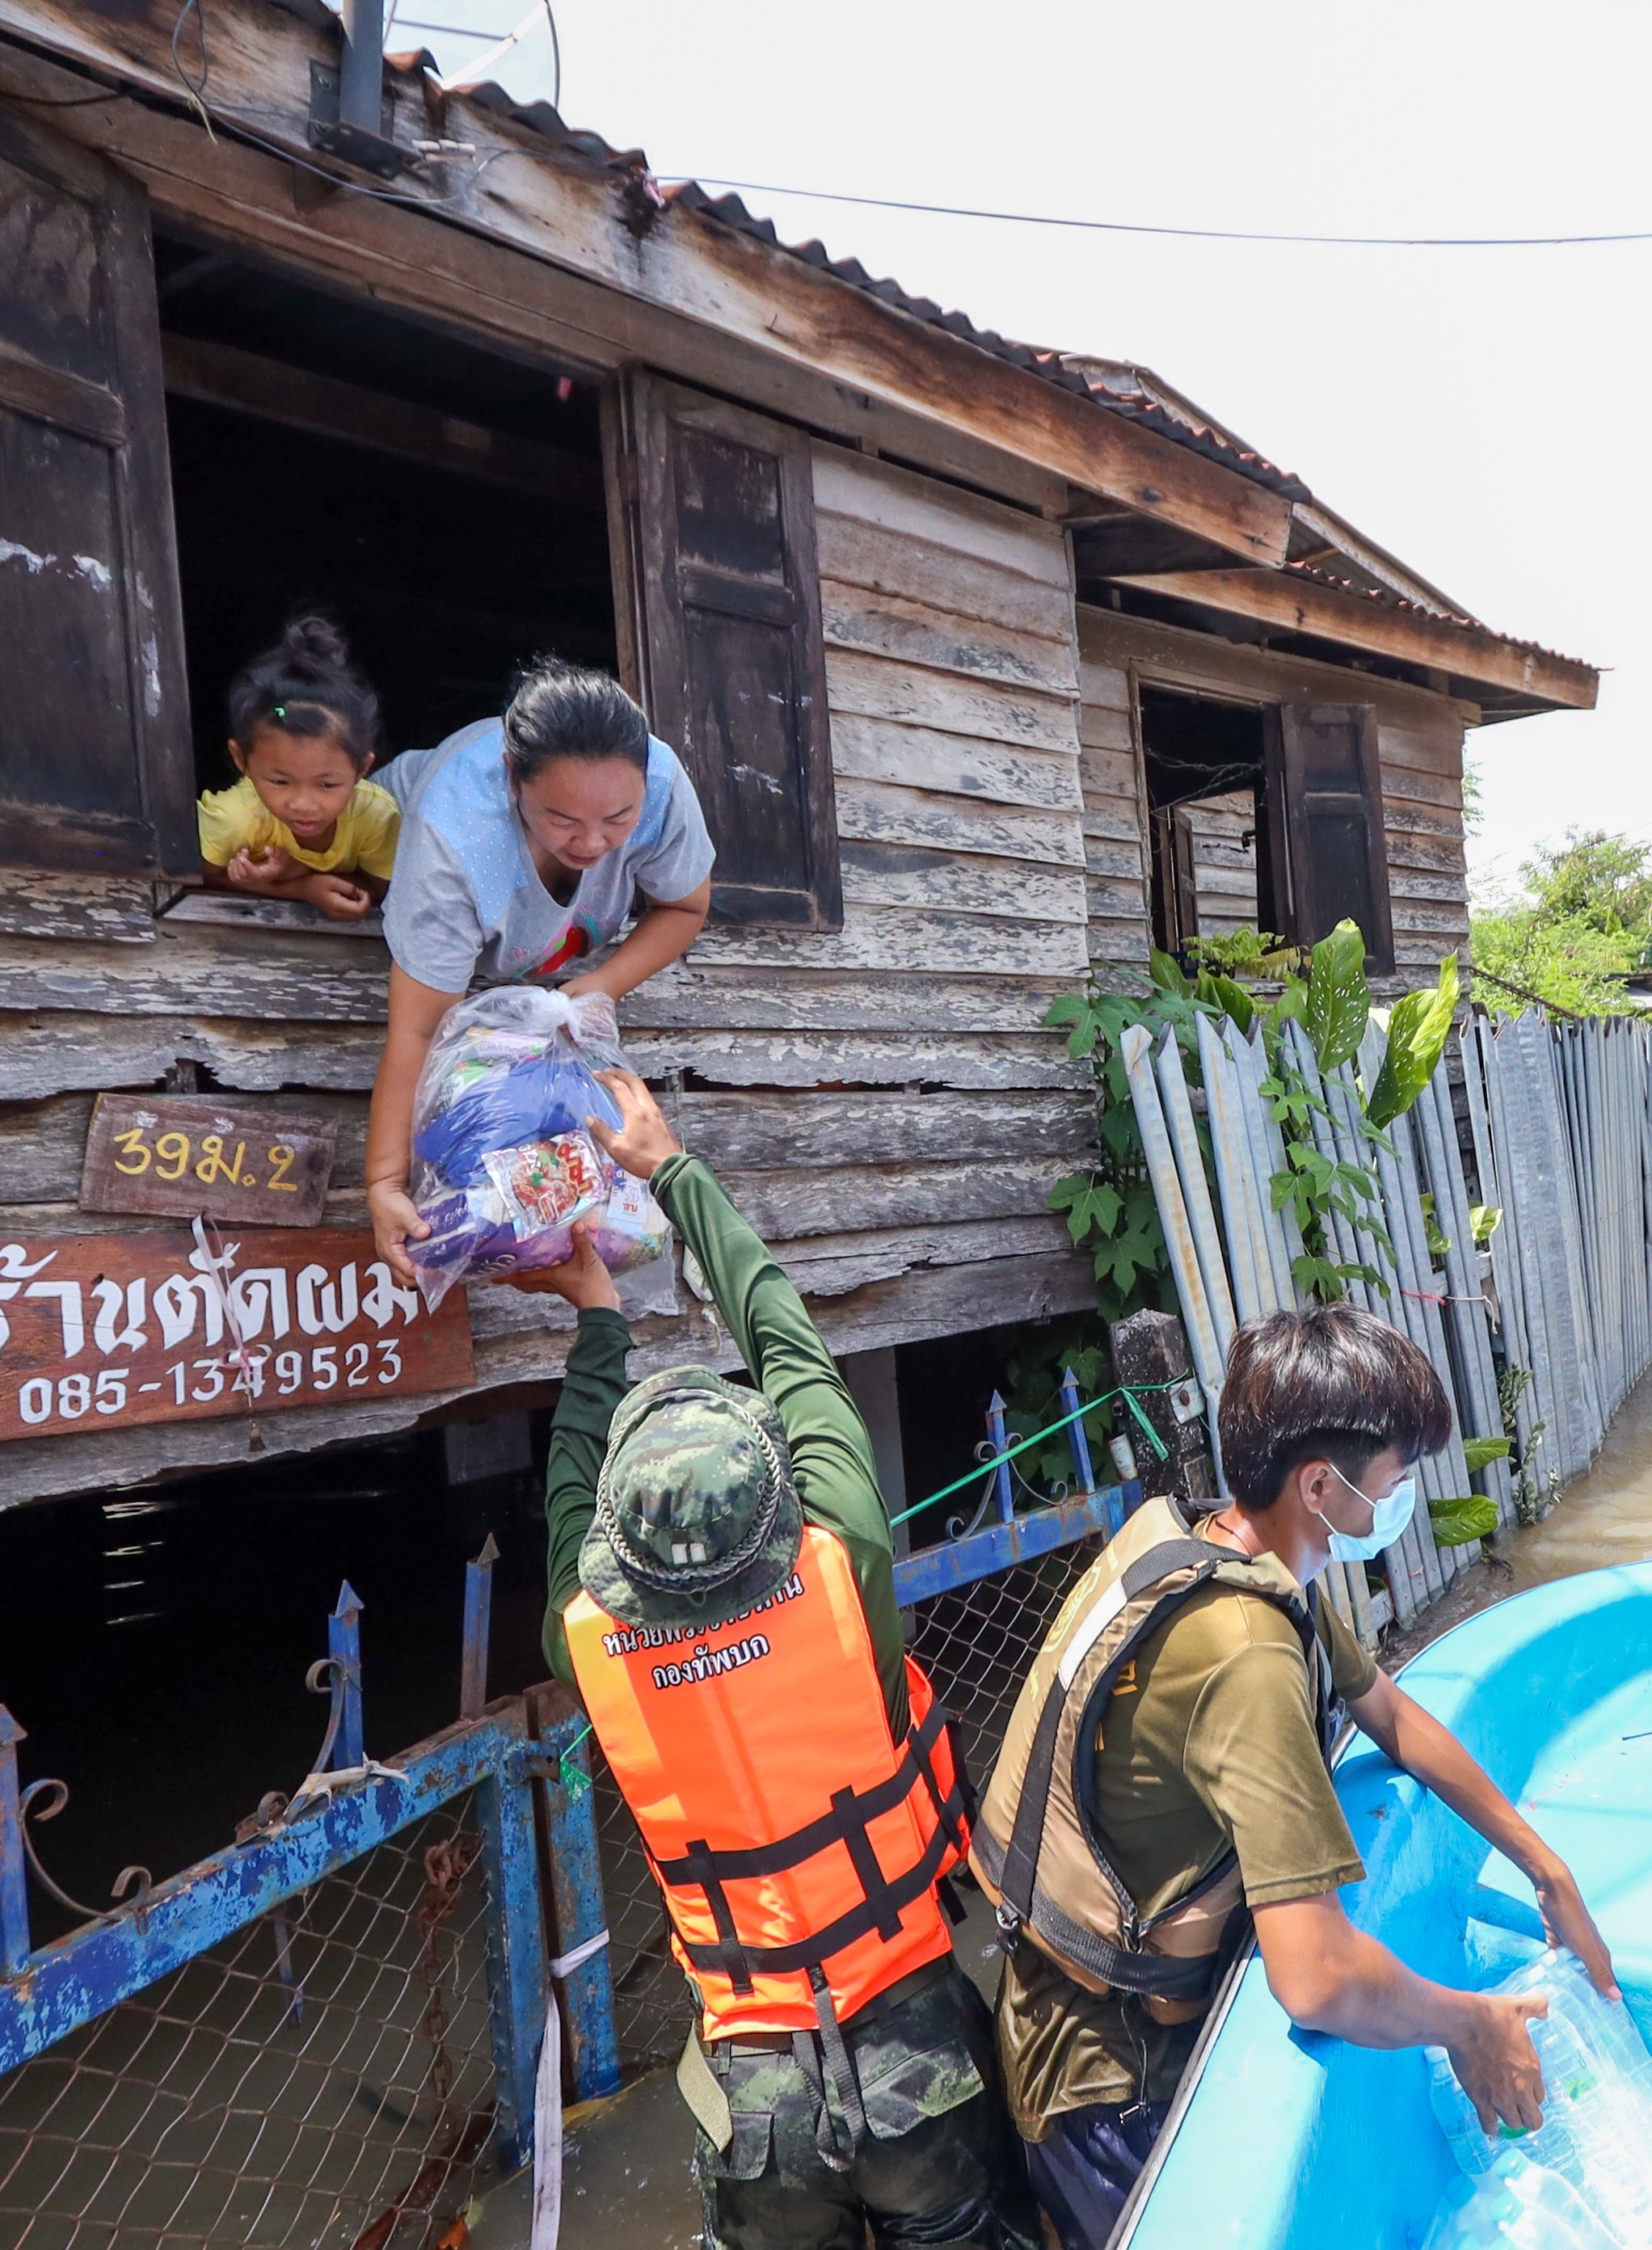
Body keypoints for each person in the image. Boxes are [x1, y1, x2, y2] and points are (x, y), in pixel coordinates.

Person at [516, 1070, 1040, 2250]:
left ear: (618, 1549)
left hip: (753, 2103)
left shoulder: (586, 1642)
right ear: (772, 1497)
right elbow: (789, 1344)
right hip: (917, 2055)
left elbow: (560, 1497)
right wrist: (672, 1168)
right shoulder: (840, 1569)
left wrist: (596, 1321)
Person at [973, 1304, 1617, 2250]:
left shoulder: (1233, 1550)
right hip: (1107, 2086)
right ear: (1320, 1484)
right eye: (1394, 1481)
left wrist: (1545, 1867)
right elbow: (1315, 1980)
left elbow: (1389, 1714)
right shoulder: (1243, 1653)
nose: (1398, 1503)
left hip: (1069, 2016)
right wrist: (1473, 2026)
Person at [365, 660, 714, 1283]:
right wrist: (386, 1181)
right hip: (371, 817)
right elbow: (418, 1028)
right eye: (562, 819)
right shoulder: (451, 833)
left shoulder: (660, 782)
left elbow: (685, 905)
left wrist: (593, 989)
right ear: (511, 778)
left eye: (618, 819)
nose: (591, 843)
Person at [196, 615, 401, 921]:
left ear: (362, 768)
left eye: (327, 784)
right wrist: (301, 888)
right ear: (241, 760)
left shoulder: (377, 818)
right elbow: (195, 876)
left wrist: (293, 876)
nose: (303, 804)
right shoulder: (232, 820)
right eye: (280, 781)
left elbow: (380, 889)